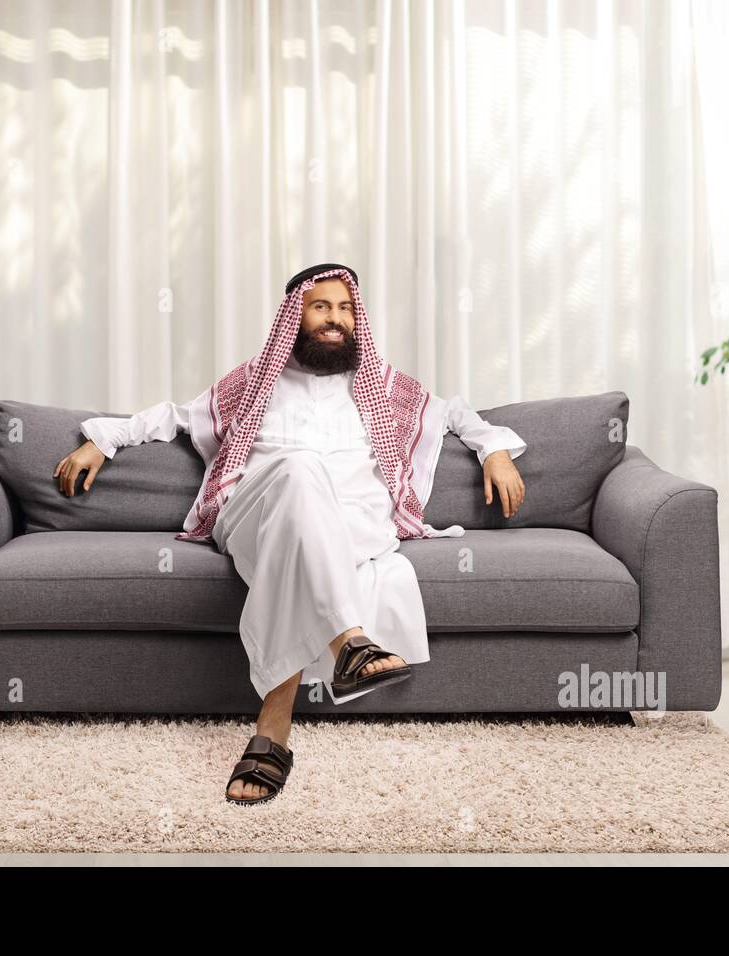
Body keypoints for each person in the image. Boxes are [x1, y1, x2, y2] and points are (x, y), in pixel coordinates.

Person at [53, 263, 526, 805]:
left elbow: (459, 416)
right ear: (294, 315)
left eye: (346, 308)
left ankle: (274, 726)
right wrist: (103, 440)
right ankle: (350, 641)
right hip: (256, 514)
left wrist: (494, 452)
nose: (335, 319)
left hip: (352, 528)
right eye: (321, 306)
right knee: (299, 469)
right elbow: (175, 417)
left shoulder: (384, 387)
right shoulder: (256, 382)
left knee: (303, 531)